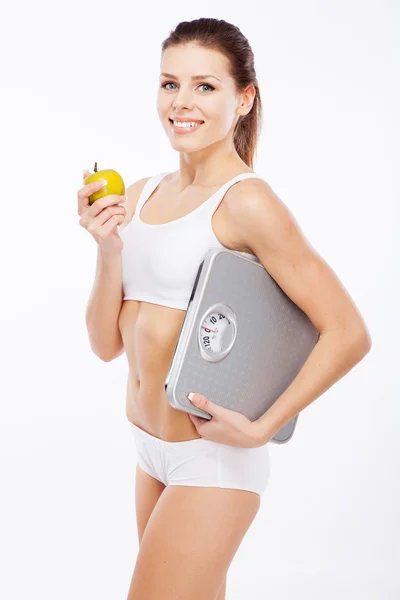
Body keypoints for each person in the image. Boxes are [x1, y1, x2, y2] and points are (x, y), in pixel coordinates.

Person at [77, 17, 371, 600]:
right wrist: (109, 251)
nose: (182, 103)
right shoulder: (139, 194)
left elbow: (347, 332)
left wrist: (262, 428)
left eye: (205, 86)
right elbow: (106, 345)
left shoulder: (248, 203)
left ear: (244, 98)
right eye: (169, 84)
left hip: (210, 459)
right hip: (150, 451)